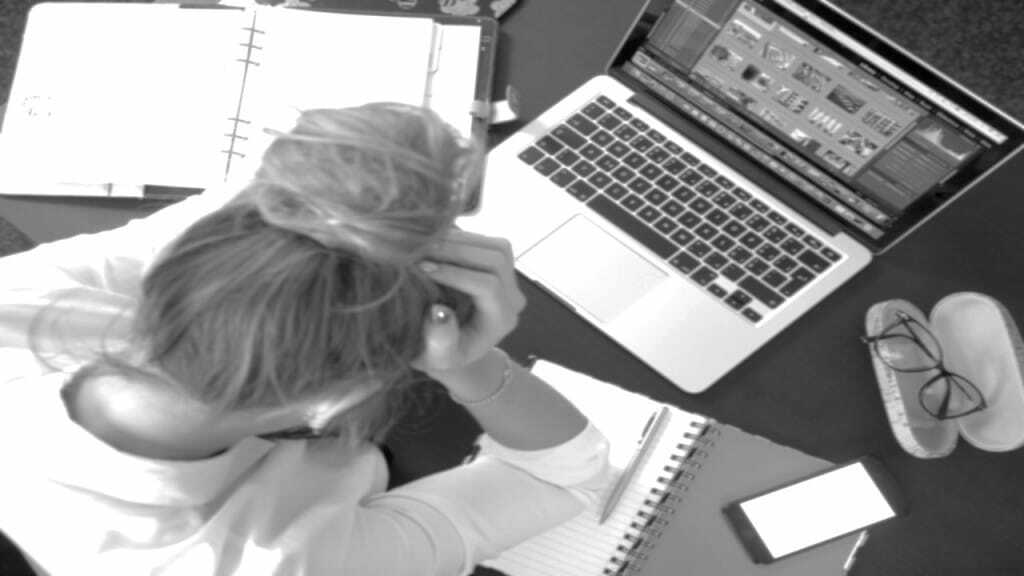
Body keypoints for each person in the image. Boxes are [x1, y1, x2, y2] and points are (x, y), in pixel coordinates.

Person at [0, 103, 609, 575]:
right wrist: (471, 367)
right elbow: (564, 475)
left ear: (173, 269)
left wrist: (364, 181)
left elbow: (259, 205)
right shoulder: (280, 562)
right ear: (334, 407)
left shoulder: (14, 305)